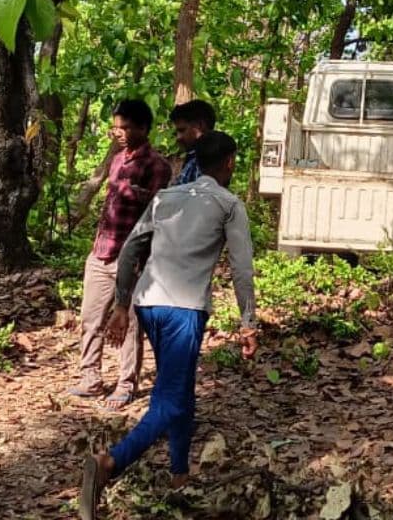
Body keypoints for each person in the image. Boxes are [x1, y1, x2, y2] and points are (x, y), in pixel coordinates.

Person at [79, 131, 257, 520]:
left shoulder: (166, 198)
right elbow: (242, 270)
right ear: (229, 162)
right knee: (171, 399)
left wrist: (123, 304)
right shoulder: (228, 204)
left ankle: (179, 474)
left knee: (178, 389)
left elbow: (130, 250)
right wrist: (248, 323)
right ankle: (110, 461)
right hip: (184, 309)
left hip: (149, 303)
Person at [70, 99, 172, 409]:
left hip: (133, 256)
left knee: (128, 323)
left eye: (127, 127)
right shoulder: (116, 160)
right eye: (117, 126)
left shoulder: (157, 165)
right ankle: (90, 376)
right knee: (91, 317)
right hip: (102, 250)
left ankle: (127, 383)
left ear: (143, 127)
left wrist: (130, 190)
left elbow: (158, 210)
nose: (121, 133)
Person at [169, 99, 216, 186]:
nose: (178, 137)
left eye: (182, 130)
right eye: (176, 133)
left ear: (199, 126)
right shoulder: (192, 158)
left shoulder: (205, 161)